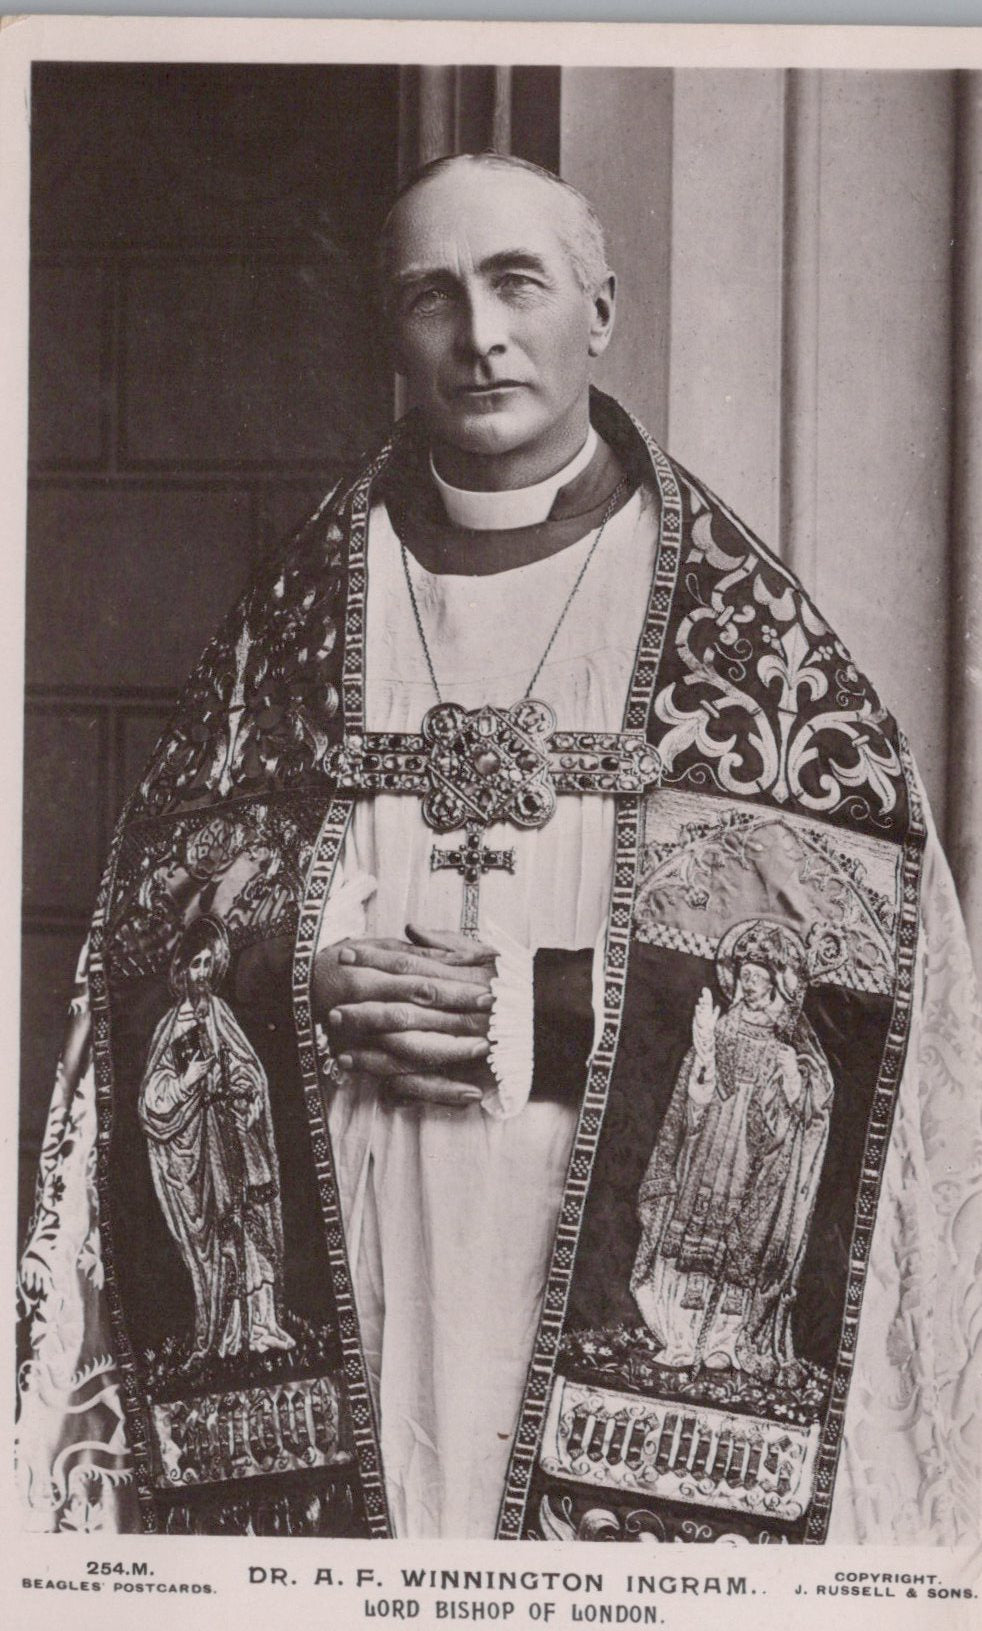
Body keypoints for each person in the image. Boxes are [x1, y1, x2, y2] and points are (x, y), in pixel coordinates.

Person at [16, 153, 982, 1545]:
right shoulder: (292, 619)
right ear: (390, 332)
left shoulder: (747, 641)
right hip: (361, 1215)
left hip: (591, 1212)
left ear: (598, 306)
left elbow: (863, 977)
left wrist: (551, 1010)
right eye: (432, 295)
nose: (479, 334)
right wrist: (308, 979)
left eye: (516, 282)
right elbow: (162, 946)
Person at [630, 919, 834, 1380]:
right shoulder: (721, 1030)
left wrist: (791, 1080)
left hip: (753, 1159)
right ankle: (680, 1338)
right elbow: (694, 1093)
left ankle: (725, 1341)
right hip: (707, 1149)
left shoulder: (787, 1045)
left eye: (759, 981)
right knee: (691, 1242)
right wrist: (703, 1066)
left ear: (777, 986)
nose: (749, 989)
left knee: (743, 1247)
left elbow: (802, 1112)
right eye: (744, 979)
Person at [138, 914, 294, 1362]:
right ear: (181, 970)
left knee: (253, 1228)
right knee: (225, 1238)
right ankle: (230, 1335)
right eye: (195, 965)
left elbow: (247, 1065)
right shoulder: (171, 1027)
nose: (202, 974)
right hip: (202, 1149)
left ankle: (263, 1324)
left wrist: (243, 1086)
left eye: (208, 964)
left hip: (236, 1138)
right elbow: (154, 1098)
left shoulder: (220, 1012)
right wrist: (188, 1081)